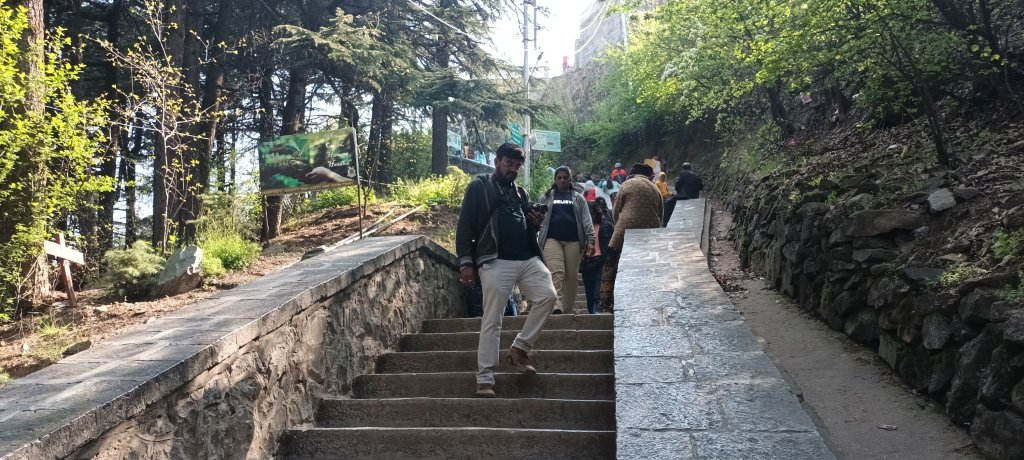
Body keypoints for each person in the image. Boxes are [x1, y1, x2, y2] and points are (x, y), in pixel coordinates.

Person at [455, 142, 558, 398]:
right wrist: (466, 261)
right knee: (493, 319)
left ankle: (520, 347)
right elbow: (465, 224)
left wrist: (535, 222)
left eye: (517, 165)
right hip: (495, 259)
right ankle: (485, 378)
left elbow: (526, 226)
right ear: (497, 162)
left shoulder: (520, 193)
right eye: (508, 163)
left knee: (548, 296)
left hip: (526, 258)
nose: (512, 169)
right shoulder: (480, 186)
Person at [600, 163, 664, 311]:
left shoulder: (626, 185)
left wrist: (618, 227)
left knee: (611, 263)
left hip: (625, 229)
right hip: (650, 232)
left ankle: (607, 303)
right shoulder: (655, 188)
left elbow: (616, 211)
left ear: (631, 175)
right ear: (649, 176)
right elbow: (661, 214)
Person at [538, 166, 596, 315]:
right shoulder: (547, 196)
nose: (562, 180)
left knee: (571, 277)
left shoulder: (578, 198)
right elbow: (538, 217)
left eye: (565, 177)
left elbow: (586, 220)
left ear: (570, 179)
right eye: (559, 177)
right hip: (551, 239)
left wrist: (591, 240)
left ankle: (567, 310)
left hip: (574, 241)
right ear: (555, 179)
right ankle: (556, 305)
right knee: (556, 272)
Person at [580, 201, 613, 314]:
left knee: (597, 292)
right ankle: (591, 314)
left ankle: (596, 313)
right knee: (589, 293)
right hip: (587, 264)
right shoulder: (581, 228)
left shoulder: (606, 225)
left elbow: (611, 245)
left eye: (591, 213)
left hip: (601, 262)